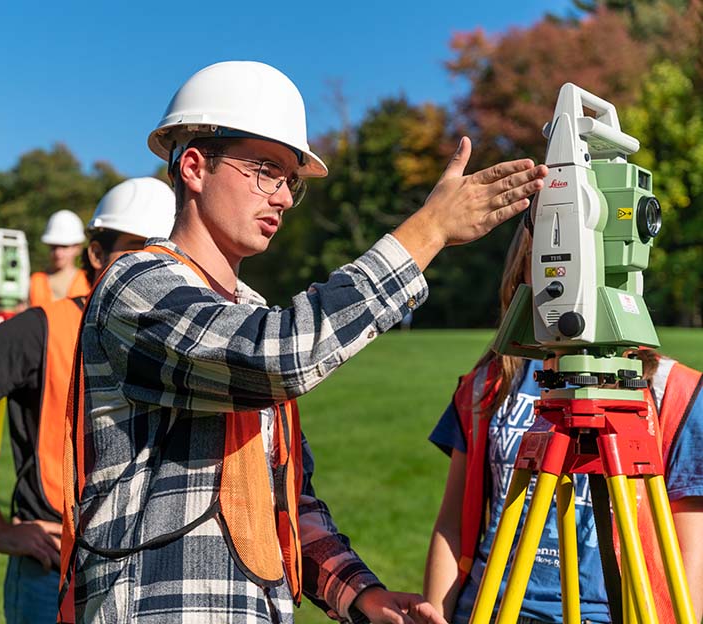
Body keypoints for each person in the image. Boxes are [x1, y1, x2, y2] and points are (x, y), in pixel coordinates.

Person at [60, 60, 548, 624]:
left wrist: (360, 595)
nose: (286, 197)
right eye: (266, 170)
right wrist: (428, 230)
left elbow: (284, 499)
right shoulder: (137, 285)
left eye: (290, 180)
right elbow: (278, 356)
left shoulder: (249, 312)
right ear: (194, 166)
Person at [0, 178, 176, 623]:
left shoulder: (183, 337)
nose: (148, 267)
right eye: (133, 248)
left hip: (155, 574)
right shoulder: (43, 327)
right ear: (95, 254)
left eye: (163, 252)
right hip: (55, 570)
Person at [423, 223, 703, 623]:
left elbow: (691, 553)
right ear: (523, 267)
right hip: (489, 609)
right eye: (550, 258)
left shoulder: (676, 393)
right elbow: (451, 523)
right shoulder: (488, 383)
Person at [29, 210, 90, 307]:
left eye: (64, 247)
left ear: (78, 247)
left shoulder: (88, 281)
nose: (58, 253)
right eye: (54, 247)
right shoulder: (34, 282)